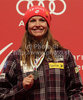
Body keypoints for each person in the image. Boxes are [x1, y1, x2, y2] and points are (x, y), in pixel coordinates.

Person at [0, 5, 83, 100]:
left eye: (42, 20)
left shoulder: (65, 55)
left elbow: (75, 90)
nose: (38, 24)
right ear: (27, 26)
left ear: (47, 25)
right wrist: (22, 87)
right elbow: (2, 94)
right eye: (32, 20)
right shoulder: (16, 57)